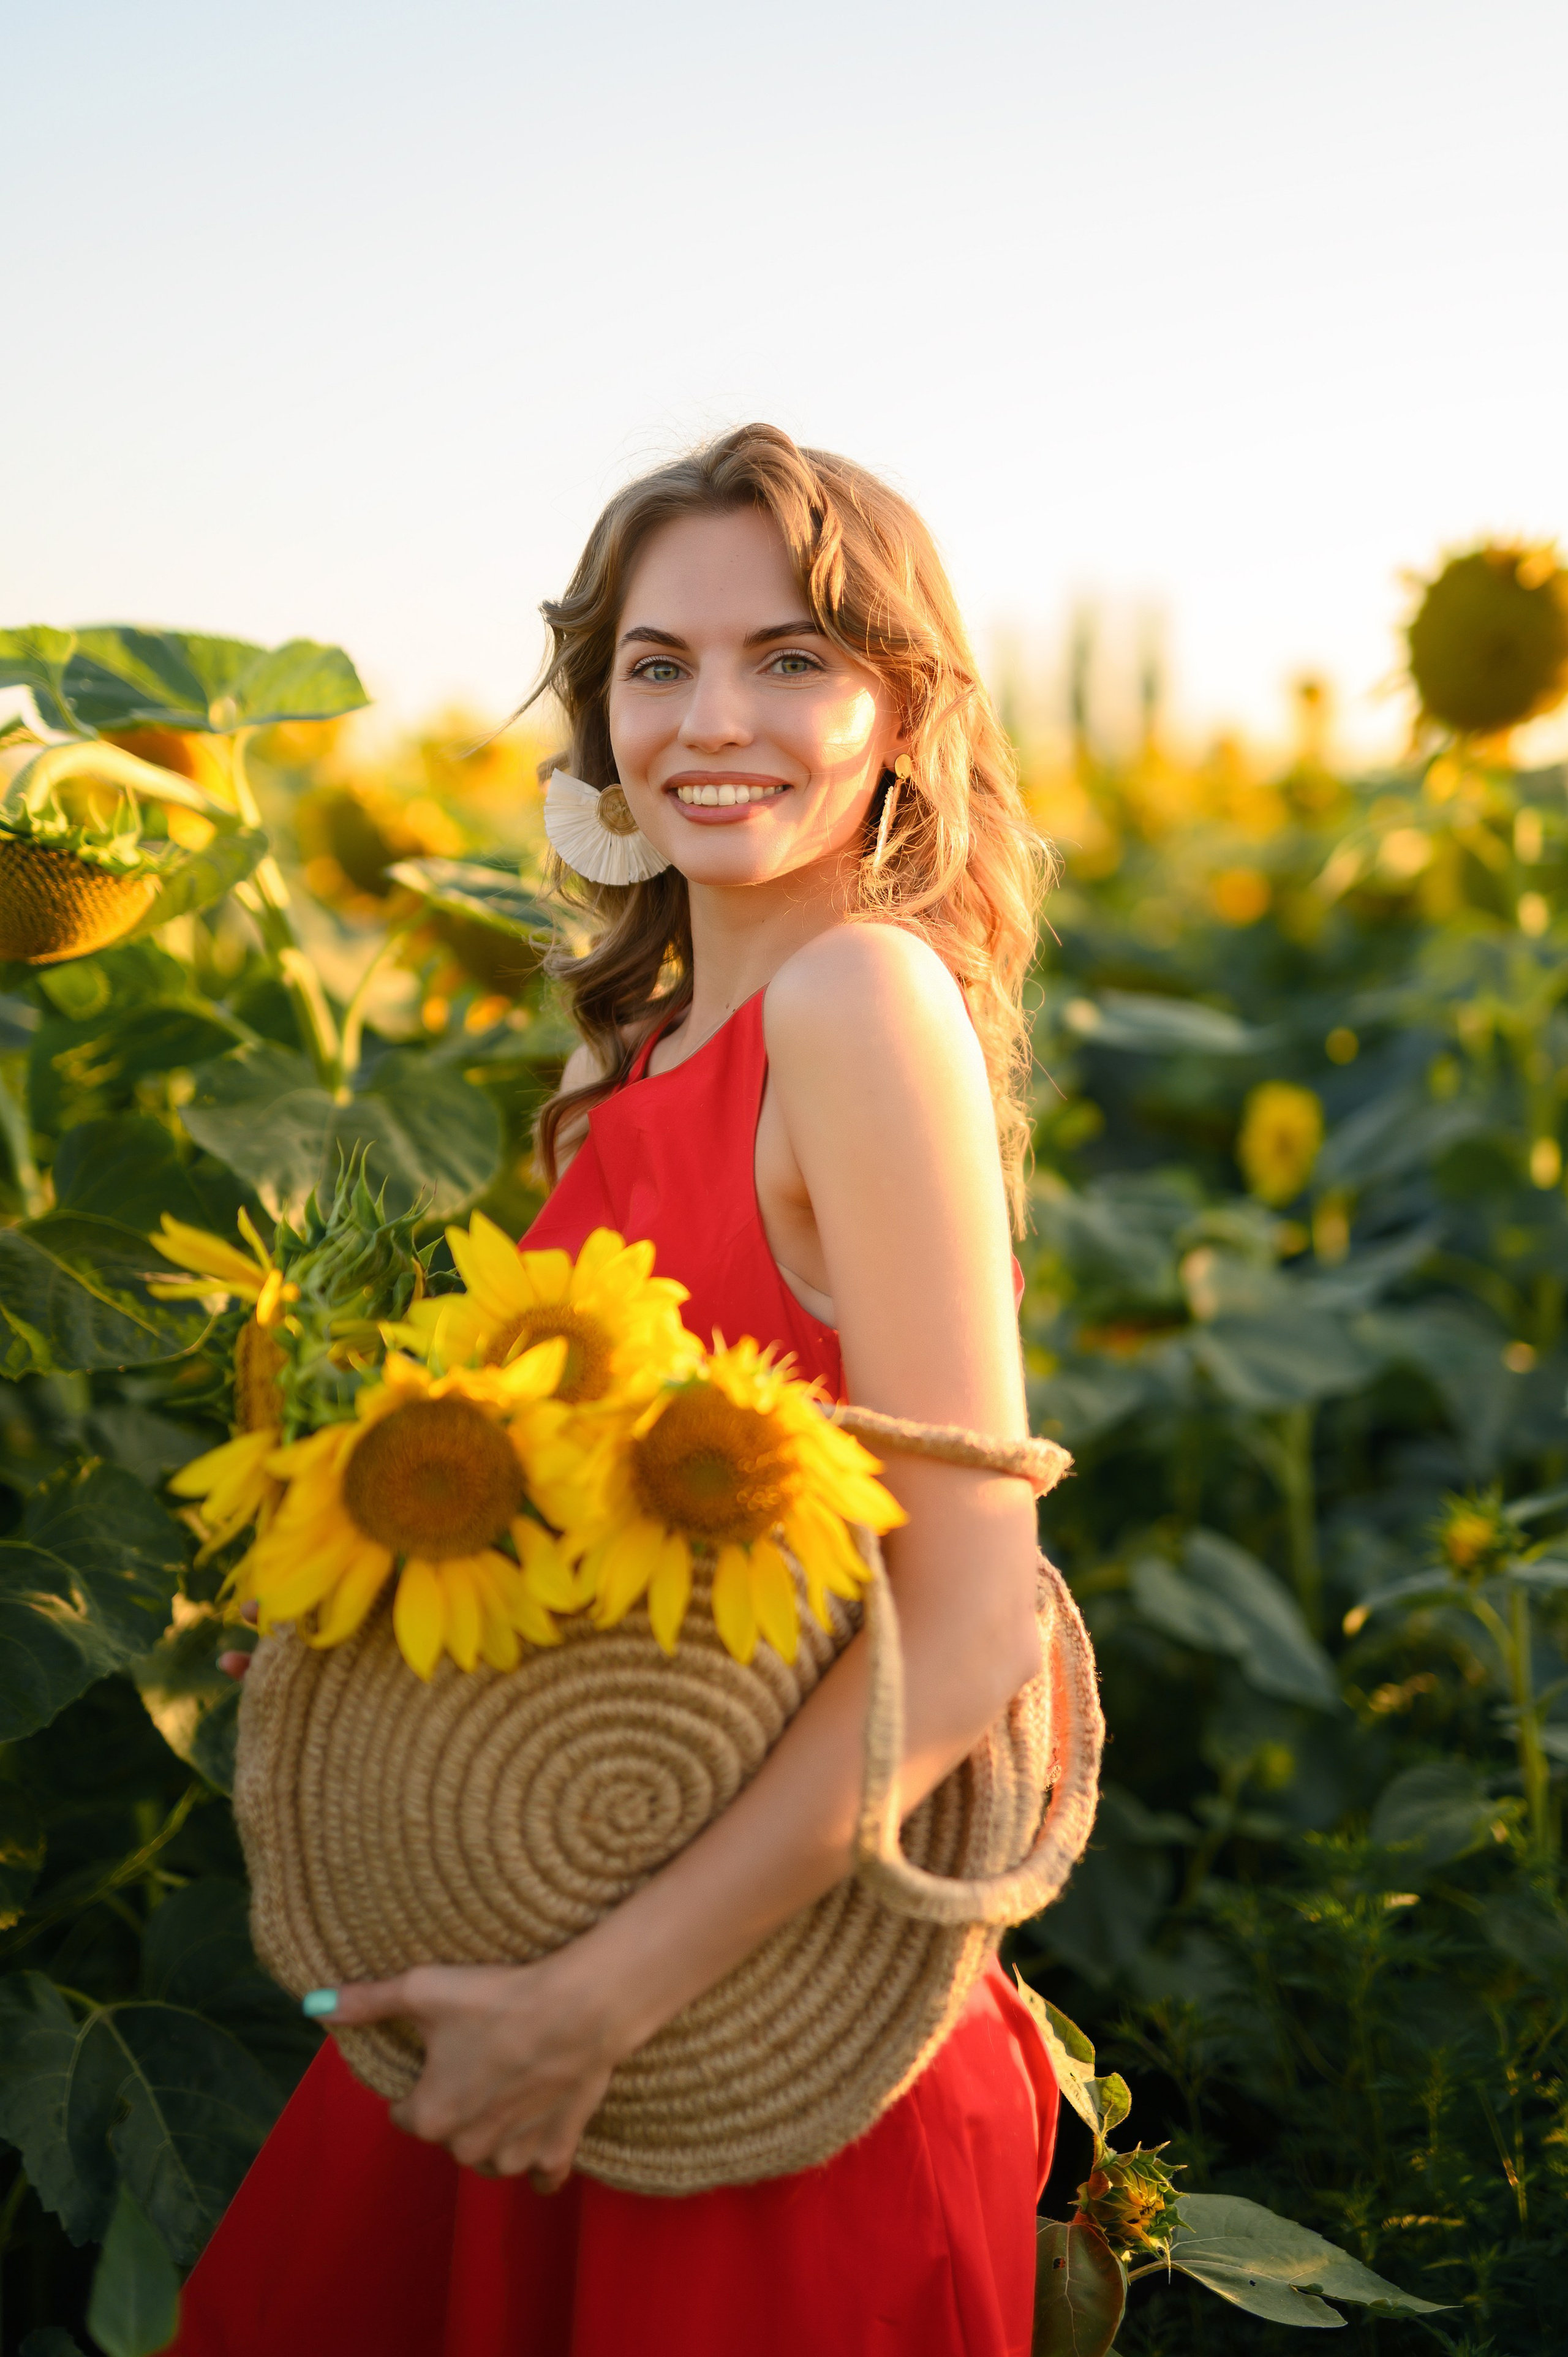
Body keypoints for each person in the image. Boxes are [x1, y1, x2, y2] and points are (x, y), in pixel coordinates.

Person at [176, 423, 1058, 2356]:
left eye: (793, 659)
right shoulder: (642, 1053)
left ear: (904, 713)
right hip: (557, 1942)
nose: (710, 717)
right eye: (656, 664)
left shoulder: (858, 1001)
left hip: (745, 2020)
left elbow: (976, 1618)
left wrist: (600, 2001)